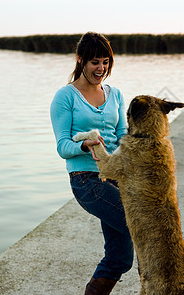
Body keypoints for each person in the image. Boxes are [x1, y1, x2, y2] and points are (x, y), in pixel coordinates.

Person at [50, 32, 133, 295]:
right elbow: (63, 146)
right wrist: (84, 145)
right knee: (140, 224)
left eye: (106, 61)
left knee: (120, 258)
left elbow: (121, 135)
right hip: (86, 180)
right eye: (95, 62)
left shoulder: (115, 94)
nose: (101, 69)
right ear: (80, 60)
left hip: (117, 177)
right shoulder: (66, 97)